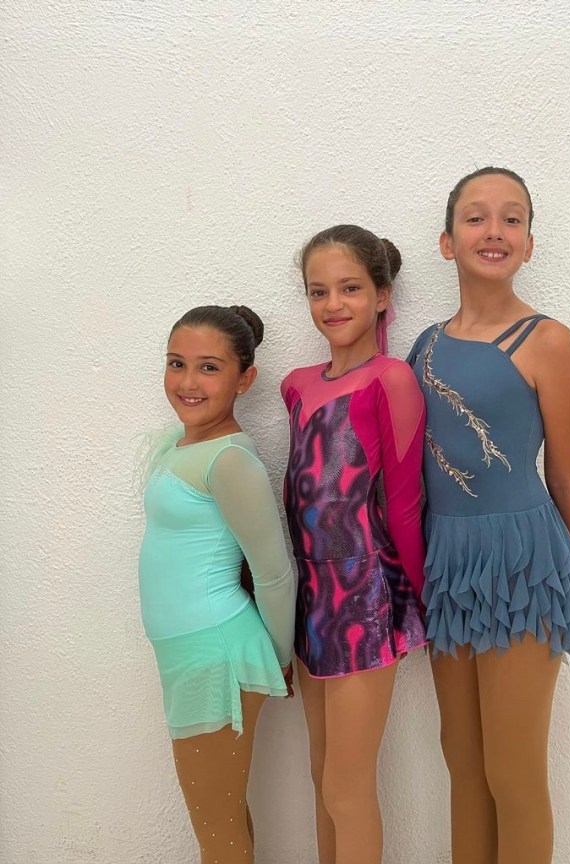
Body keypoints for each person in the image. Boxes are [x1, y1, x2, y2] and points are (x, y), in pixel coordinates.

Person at [407, 168, 570, 864]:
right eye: (476, 217)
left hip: (524, 566)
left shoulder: (550, 343)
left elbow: (567, 475)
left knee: (513, 772)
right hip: (449, 568)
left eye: (512, 219)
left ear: (529, 243)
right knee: (463, 762)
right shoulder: (424, 346)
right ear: (447, 242)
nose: (494, 230)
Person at [281, 225, 427, 864]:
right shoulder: (296, 385)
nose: (333, 304)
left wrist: (423, 597)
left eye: (350, 288)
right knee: (321, 778)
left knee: (346, 785)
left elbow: (404, 502)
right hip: (310, 597)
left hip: (363, 596)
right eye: (318, 291)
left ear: (382, 296)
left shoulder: (390, 380)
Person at [138, 304, 296, 864]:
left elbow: (274, 571)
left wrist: (279, 659)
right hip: (191, 655)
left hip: (216, 656)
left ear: (244, 379)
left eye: (209, 367)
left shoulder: (229, 460)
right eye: (177, 363)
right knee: (223, 826)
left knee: (219, 837)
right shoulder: (185, 448)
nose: (188, 382)